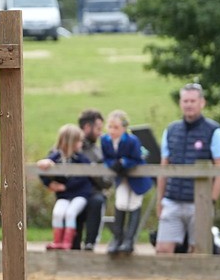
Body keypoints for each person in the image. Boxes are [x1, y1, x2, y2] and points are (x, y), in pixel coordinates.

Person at [156, 82, 220, 254]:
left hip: (199, 203)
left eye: (192, 101)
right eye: (185, 101)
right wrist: (160, 200)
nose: (188, 104)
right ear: (180, 103)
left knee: (199, 251)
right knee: (163, 250)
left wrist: (210, 201)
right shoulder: (171, 130)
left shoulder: (214, 131)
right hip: (172, 200)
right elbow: (163, 168)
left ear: (202, 103)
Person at [101, 110, 152, 255]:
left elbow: (137, 158)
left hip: (136, 178)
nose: (112, 131)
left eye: (116, 127)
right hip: (121, 177)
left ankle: (129, 240)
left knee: (134, 204)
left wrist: (124, 162)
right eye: (110, 127)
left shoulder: (131, 140)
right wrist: (113, 164)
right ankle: (118, 238)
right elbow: (106, 158)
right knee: (121, 203)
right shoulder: (105, 140)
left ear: (123, 128)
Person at [37, 124, 93, 250]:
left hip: (79, 194)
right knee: (58, 213)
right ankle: (57, 241)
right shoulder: (57, 157)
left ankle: (67, 242)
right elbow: (45, 166)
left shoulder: (81, 158)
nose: (81, 144)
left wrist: (65, 187)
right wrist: (49, 183)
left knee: (70, 213)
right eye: (79, 141)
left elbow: (84, 177)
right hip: (64, 195)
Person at [74, 108, 112, 250]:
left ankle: (91, 242)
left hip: (93, 193)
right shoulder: (70, 146)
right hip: (73, 193)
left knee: (97, 201)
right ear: (87, 127)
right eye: (98, 128)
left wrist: (94, 173)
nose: (100, 133)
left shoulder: (99, 152)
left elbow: (108, 181)